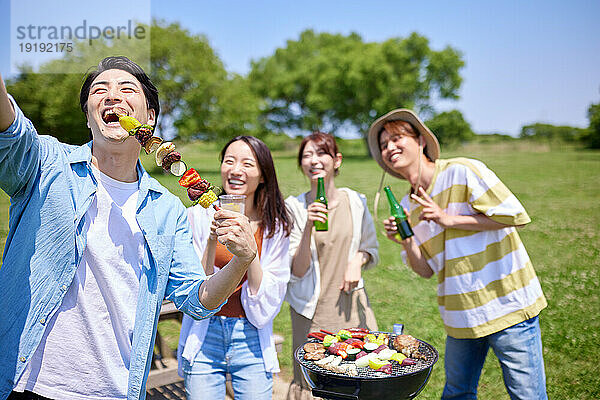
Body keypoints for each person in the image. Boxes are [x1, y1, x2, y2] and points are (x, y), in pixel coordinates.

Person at [0, 56, 257, 400]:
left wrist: (241, 261)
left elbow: (198, 300)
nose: (111, 96)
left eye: (126, 89)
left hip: (116, 390)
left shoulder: (168, 210)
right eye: (99, 90)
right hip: (29, 386)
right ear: (88, 116)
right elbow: (10, 133)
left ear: (149, 118)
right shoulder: (46, 164)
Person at [367, 108, 548, 399]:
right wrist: (406, 241)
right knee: (456, 393)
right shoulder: (407, 205)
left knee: (526, 396)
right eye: (383, 144)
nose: (389, 147)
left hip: (507, 305)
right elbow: (425, 270)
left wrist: (449, 219)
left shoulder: (462, 171)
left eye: (397, 138)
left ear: (421, 141)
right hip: (460, 314)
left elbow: (515, 215)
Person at [178, 136, 292, 400]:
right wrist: (210, 239)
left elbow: (269, 295)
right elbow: (194, 284)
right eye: (229, 161)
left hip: (250, 335)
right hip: (206, 333)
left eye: (247, 163)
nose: (235, 170)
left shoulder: (276, 227)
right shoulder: (198, 216)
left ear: (263, 175)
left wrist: (249, 250)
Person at [285, 131, 379, 400]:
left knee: (359, 372)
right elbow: (297, 270)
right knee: (315, 381)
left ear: (337, 160)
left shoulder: (356, 202)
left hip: (351, 306)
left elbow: (370, 249)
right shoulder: (293, 207)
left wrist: (357, 261)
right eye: (307, 155)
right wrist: (308, 226)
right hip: (311, 311)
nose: (314, 160)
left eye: (322, 153)